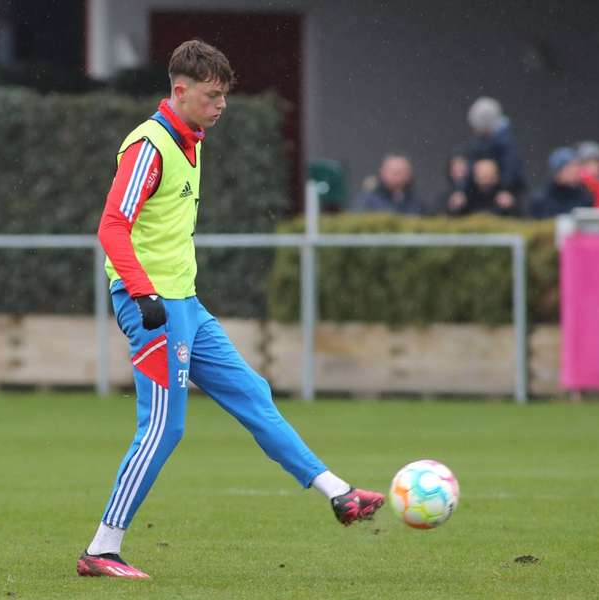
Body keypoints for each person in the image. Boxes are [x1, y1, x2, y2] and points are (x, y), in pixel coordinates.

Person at [80, 40, 385, 579]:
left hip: (186, 307)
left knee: (253, 395)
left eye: (224, 96)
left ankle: (337, 493)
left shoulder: (191, 141)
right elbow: (111, 227)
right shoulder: (149, 146)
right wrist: (144, 293)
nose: (221, 106)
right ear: (180, 91)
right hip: (153, 307)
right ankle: (102, 549)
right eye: (212, 95)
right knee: (162, 430)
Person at [465, 96, 527, 208]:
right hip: (485, 194)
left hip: (504, 194)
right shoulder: (482, 141)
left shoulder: (505, 143)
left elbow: (511, 168)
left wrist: (506, 188)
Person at [527, 147, 593, 218]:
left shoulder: (585, 197)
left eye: (577, 166)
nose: (575, 171)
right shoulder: (540, 200)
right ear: (558, 172)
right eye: (570, 167)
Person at [352, 153, 424, 215]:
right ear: (383, 172)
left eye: (401, 172)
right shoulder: (368, 200)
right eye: (393, 172)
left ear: (409, 174)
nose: (397, 176)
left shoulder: (416, 202)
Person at [448, 157, 518, 216]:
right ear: (474, 176)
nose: (485, 179)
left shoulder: (506, 193)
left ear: (496, 176)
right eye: (482, 175)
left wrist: (511, 206)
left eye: (489, 174)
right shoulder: (466, 193)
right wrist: (455, 207)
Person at [433, 149, 470, 217]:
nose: (460, 169)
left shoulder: (475, 193)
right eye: (456, 167)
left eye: (462, 166)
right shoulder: (443, 196)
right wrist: (451, 207)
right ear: (450, 170)